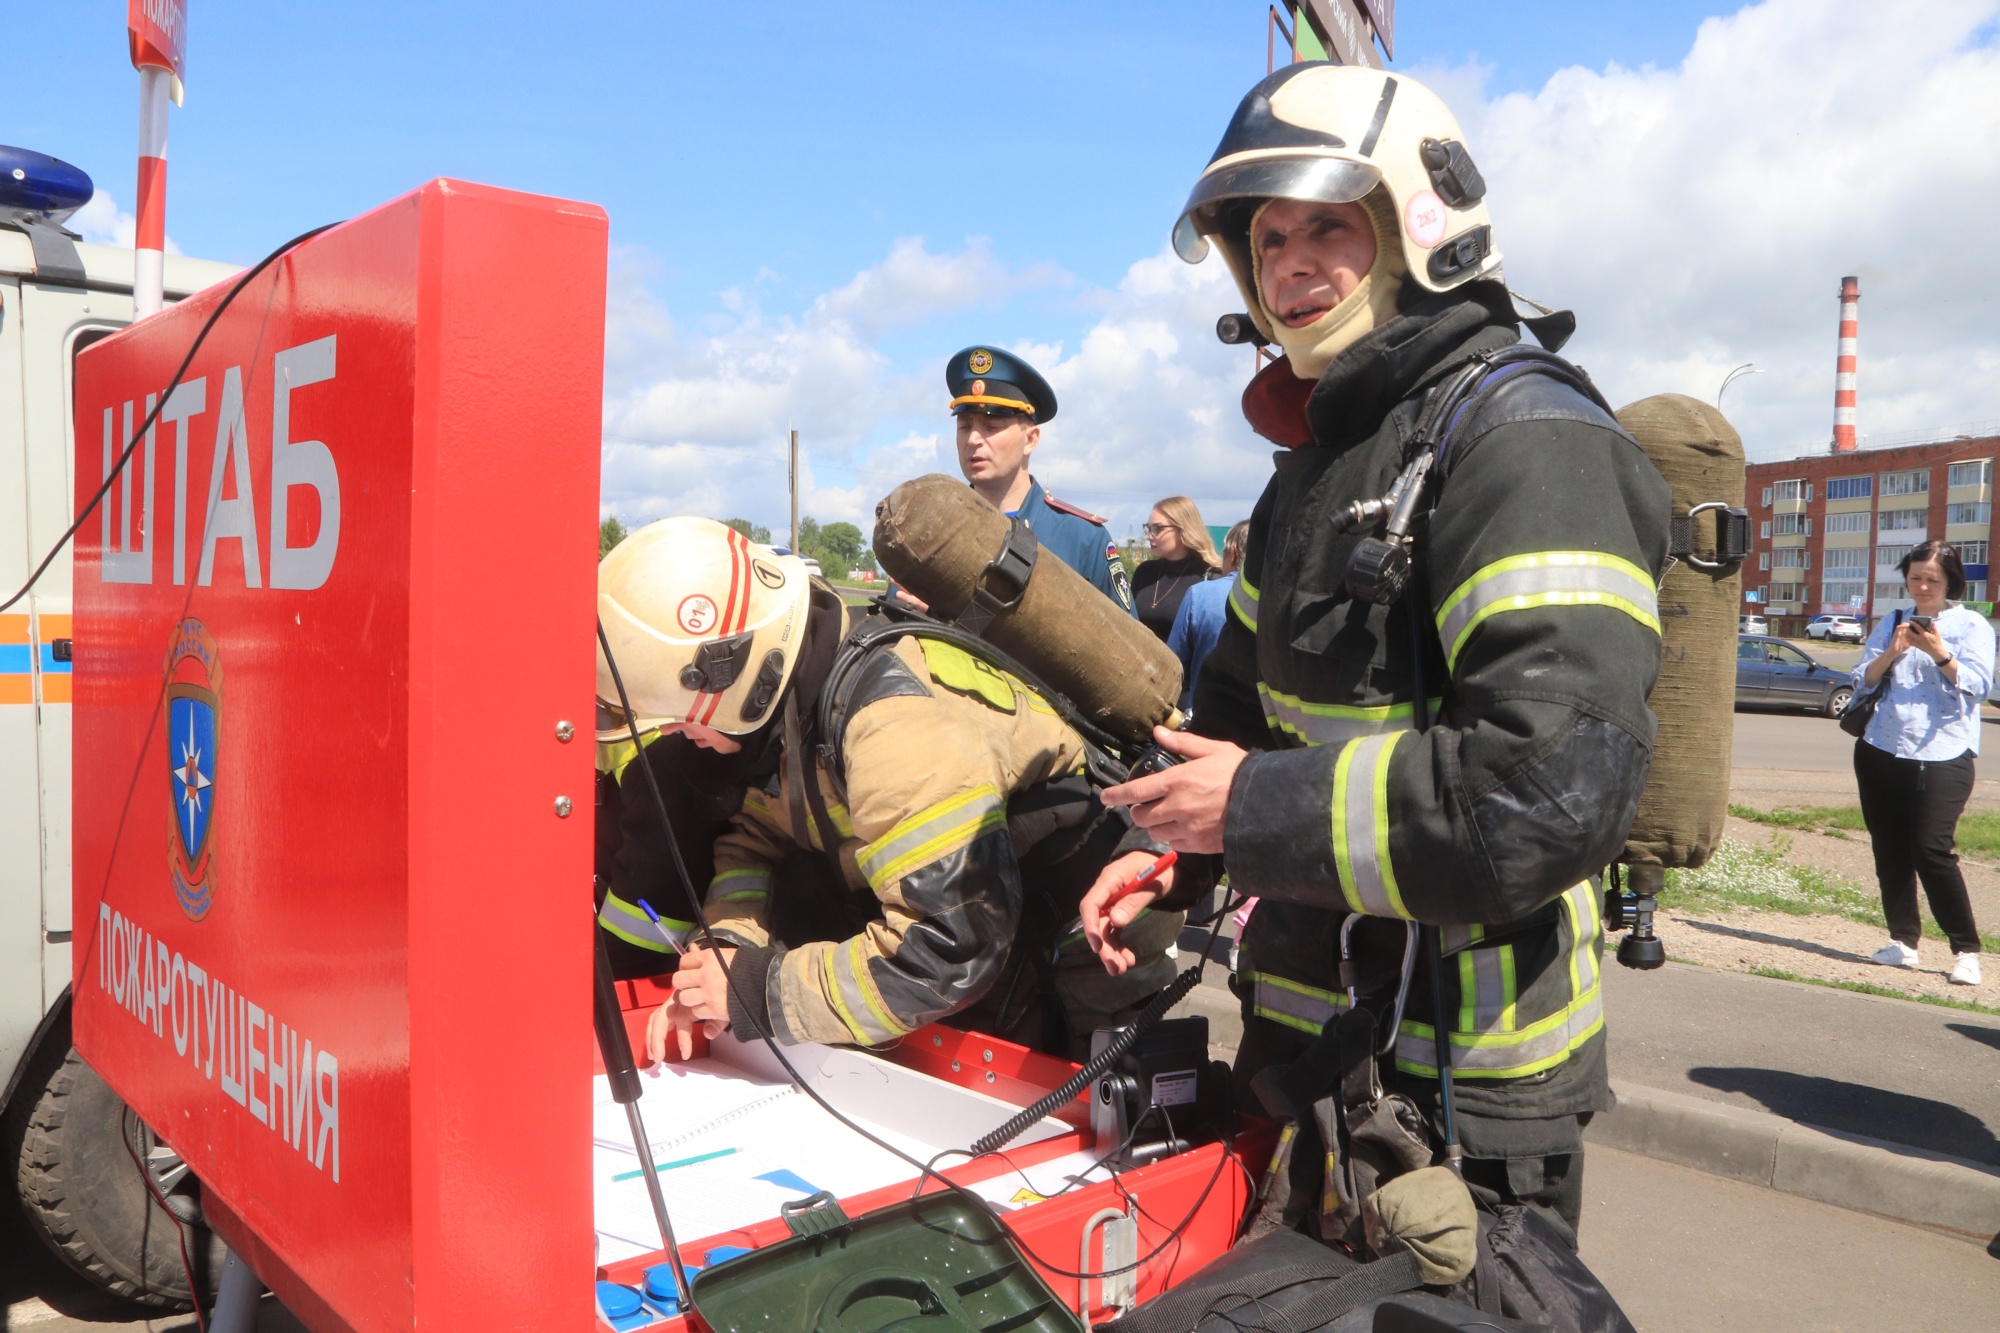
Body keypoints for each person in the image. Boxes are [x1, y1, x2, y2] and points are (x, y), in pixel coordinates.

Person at [1078, 62, 1670, 1241]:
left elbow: (1544, 792)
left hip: (1462, 1090)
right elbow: (1240, 721)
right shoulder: (1313, 463)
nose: (1289, 266)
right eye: (1265, 239)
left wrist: (1243, 809)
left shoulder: (1529, 443)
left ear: (1416, 223)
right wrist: (1178, 853)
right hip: (1304, 1051)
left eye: (1324, 228)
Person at [592, 517, 1183, 1065]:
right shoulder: (793, 711)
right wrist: (724, 950)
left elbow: (944, 951)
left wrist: (754, 991)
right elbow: (755, 841)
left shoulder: (891, 724)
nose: (674, 731)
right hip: (994, 952)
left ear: (735, 672)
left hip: (1076, 961)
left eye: (677, 712)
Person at [1852, 541, 1992, 986]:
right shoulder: (1892, 619)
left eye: (1933, 579)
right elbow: (1860, 680)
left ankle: (1966, 950)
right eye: (1915, 578)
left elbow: (1979, 687)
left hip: (1945, 750)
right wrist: (1891, 653)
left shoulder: (1971, 625)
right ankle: (1903, 943)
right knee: (1888, 847)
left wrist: (1938, 652)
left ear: (1950, 581)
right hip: (1882, 746)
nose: (1923, 586)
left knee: (1932, 849)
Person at [943, 345, 1134, 612]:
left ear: (1030, 439)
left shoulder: (1082, 539)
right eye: (964, 426)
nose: (973, 439)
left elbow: (1128, 648)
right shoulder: (937, 524)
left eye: (991, 426)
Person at [1167, 520, 1249, 715]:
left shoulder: (1199, 595)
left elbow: (1171, 663)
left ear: (1232, 553)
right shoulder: (1283, 601)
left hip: (1205, 720)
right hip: (1269, 734)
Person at [1132, 497, 1223, 642]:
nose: (1149, 536)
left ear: (1183, 529)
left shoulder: (1209, 577)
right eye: (1148, 528)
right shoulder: (1144, 572)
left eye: (1158, 529)